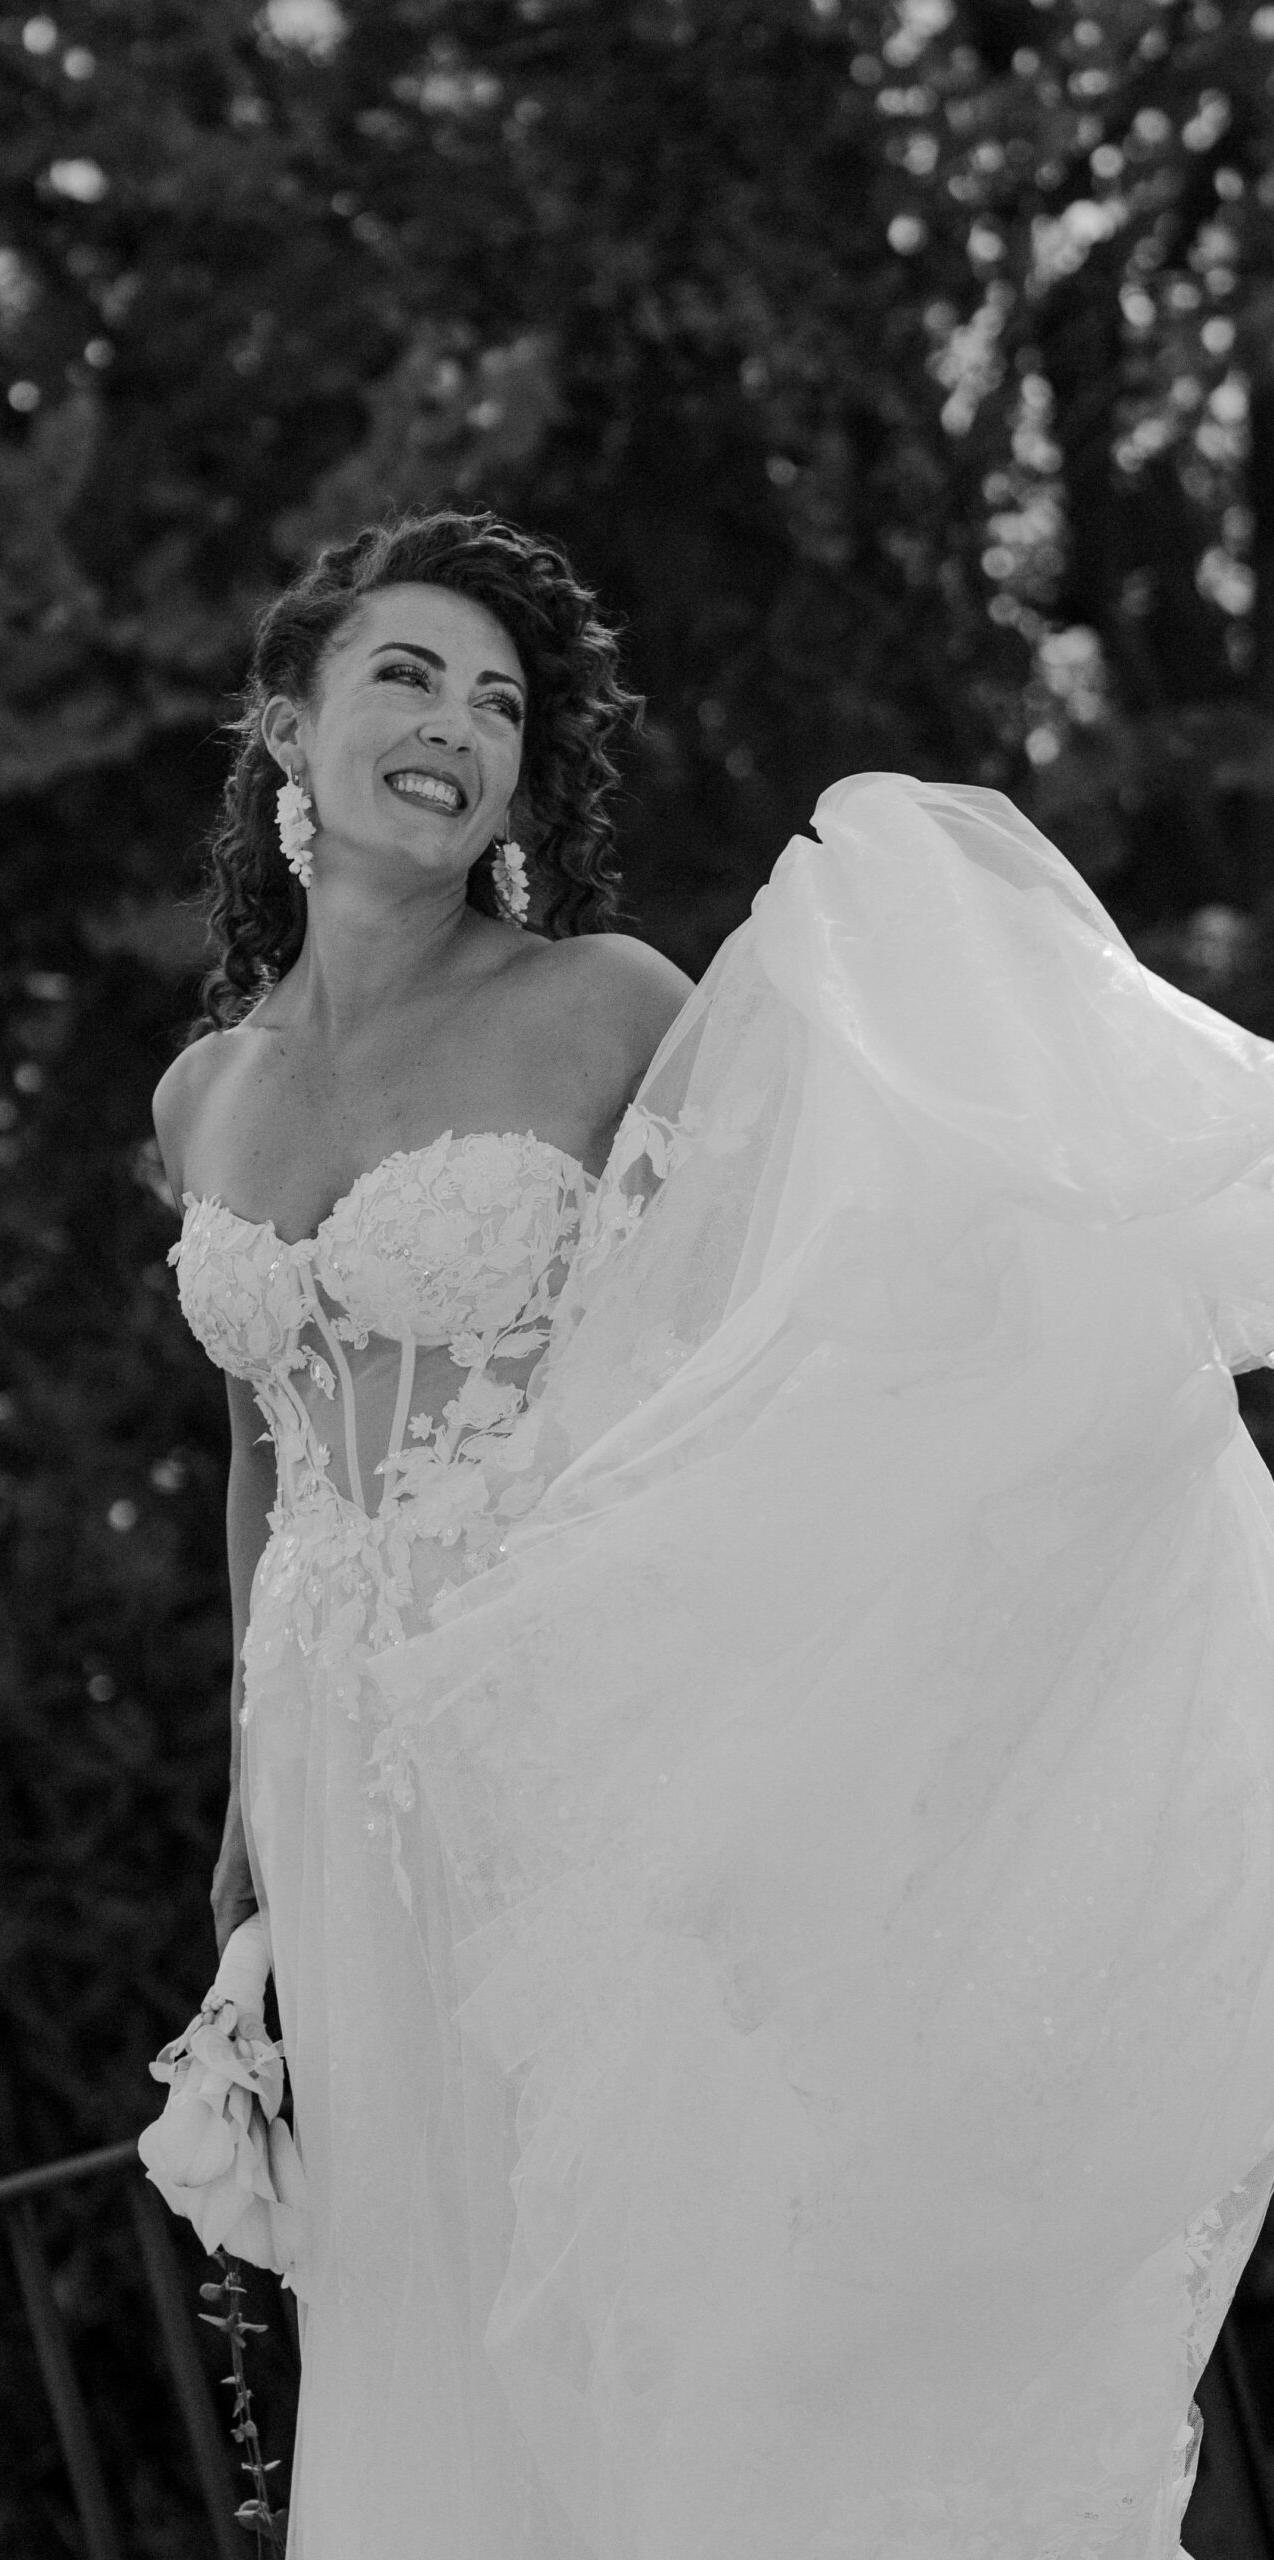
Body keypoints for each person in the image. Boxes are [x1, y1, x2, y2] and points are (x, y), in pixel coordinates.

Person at [146, 508, 1274, 2560]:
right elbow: (258, 1448)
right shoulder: (200, 1095)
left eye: (497, 703)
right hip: (326, 1756)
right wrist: (244, 1779)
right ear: (286, 727)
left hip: (563, 1718)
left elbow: (760, 1311)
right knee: (424, 2276)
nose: (453, 725)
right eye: (405, 676)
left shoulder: (601, 1006)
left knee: (636, 2257)